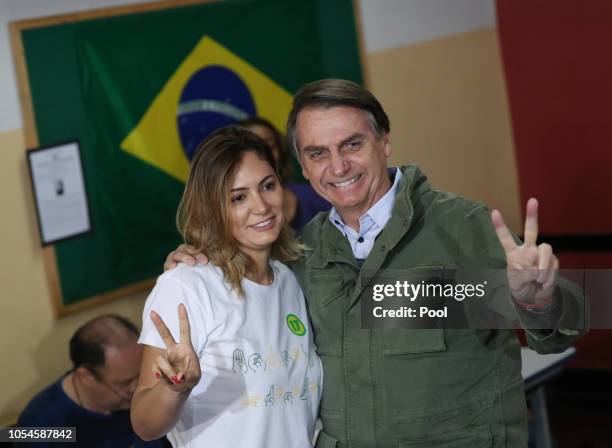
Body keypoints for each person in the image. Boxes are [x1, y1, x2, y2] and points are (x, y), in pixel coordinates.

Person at [165, 79, 588, 447]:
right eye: (317, 153)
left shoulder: (461, 226)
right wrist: (197, 261)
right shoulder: (301, 253)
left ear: (384, 141)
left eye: (352, 144)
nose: (339, 166)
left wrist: (539, 299)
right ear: (304, 168)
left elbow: (563, 330)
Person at [131, 127, 322, 447]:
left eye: (268, 186)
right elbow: (144, 425)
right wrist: (174, 388)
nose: (261, 206)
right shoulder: (186, 286)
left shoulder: (287, 280)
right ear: (212, 208)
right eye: (238, 197)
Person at [17, 315, 167, 448]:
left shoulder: (148, 393)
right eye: (125, 383)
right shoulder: (40, 425)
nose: (137, 387)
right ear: (86, 377)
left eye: (141, 374)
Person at [238, 116, 331, 232]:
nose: (260, 157)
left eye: (268, 147)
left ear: (281, 151)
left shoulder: (319, 198)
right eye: (238, 198)